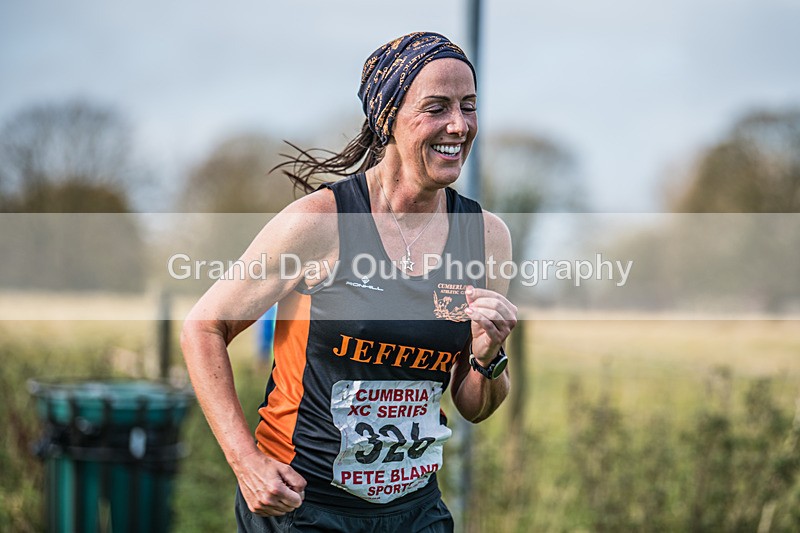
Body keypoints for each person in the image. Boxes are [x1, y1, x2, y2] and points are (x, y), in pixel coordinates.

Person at [180, 31, 517, 532]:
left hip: (415, 513)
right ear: (388, 119)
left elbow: (474, 405)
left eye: (469, 106)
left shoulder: (486, 235)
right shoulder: (320, 223)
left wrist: (488, 357)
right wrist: (245, 462)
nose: (459, 125)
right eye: (437, 107)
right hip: (303, 510)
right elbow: (203, 328)